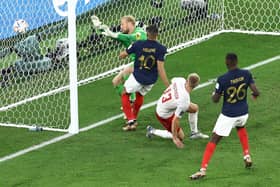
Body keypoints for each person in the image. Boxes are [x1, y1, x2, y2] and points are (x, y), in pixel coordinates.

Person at [190, 53, 260, 180]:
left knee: (214, 139)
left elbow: (215, 100)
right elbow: (256, 91)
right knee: (241, 127)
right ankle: (247, 155)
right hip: (243, 113)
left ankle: (203, 169)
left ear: (226, 63)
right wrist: (254, 95)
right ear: (237, 61)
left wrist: (215, 93)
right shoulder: (246, 74)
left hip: (228, 115)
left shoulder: (222, 79)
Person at [119, 24, 169, 131]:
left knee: (124, 92)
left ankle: (131, 120)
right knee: (140, 94)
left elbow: (123, 55)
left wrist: (122, 54)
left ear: (147, 34)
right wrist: (167, 86)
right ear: (157, 35)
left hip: (138, 76)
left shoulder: (138, 44)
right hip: (151, 80)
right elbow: (161, 69)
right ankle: (134, 118)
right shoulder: (161, 49)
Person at [92, 15, 147, 105]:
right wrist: (99, 27)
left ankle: (132, 101)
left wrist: (116, 35)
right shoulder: (124, 35)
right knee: (116, 81)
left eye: (122, 24)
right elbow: (111, 34)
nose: (120, 27)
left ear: (129, 23)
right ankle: (128, 105)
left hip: (146, 63)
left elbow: (132, 37)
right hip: (136, 64)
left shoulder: (139, 32)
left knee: (127, 71)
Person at [146, 73, 209, 148]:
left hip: (165, 103)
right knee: (180, 137)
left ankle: (194, 133)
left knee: (194, 108)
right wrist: (175, 138)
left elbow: (172, 80)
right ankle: (152, 131)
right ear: (196, 85)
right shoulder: (184, 100)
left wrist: (175, 94)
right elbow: (175, 120)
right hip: (164, 113)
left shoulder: (180, 80)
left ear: (187, 80)